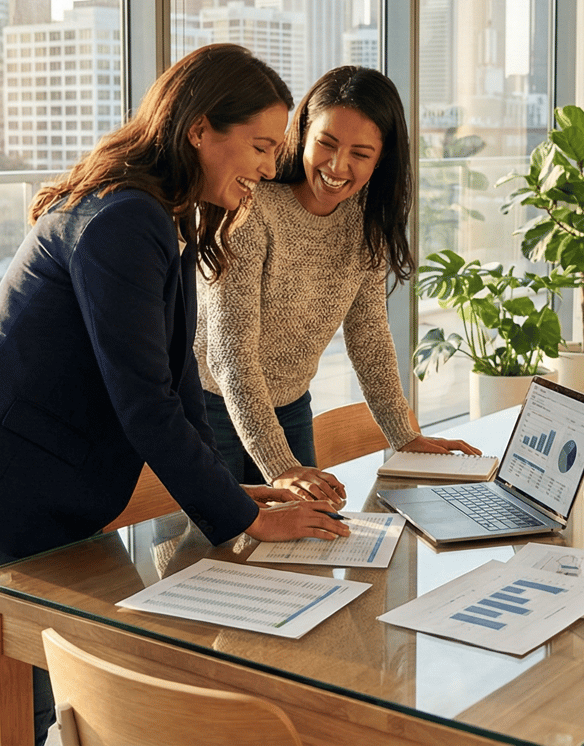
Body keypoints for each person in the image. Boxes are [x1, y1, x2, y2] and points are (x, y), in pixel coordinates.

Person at [0, 44, 348, 746]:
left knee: (62, 703)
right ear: (199, 131)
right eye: (258, 145)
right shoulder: (126, 220)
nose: (269, 167)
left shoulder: (157, 213)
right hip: (21, 505)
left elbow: (177, 380)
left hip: (53, 503)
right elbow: (146, 406)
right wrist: (243, 521)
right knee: (44, 708)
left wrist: (235, 494)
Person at [195, 65, 481, 502]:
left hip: (290, 406)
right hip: (210, 406)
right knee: (213, 557)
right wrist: (282, 467)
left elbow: (368, 334)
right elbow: (230, 355)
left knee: (310, 545)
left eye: (360, 154)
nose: (337, 165)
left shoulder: (366, 220)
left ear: (381, 158)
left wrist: (403, 435)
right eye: (326, 144)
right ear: (303, 133)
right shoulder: (251, 210)